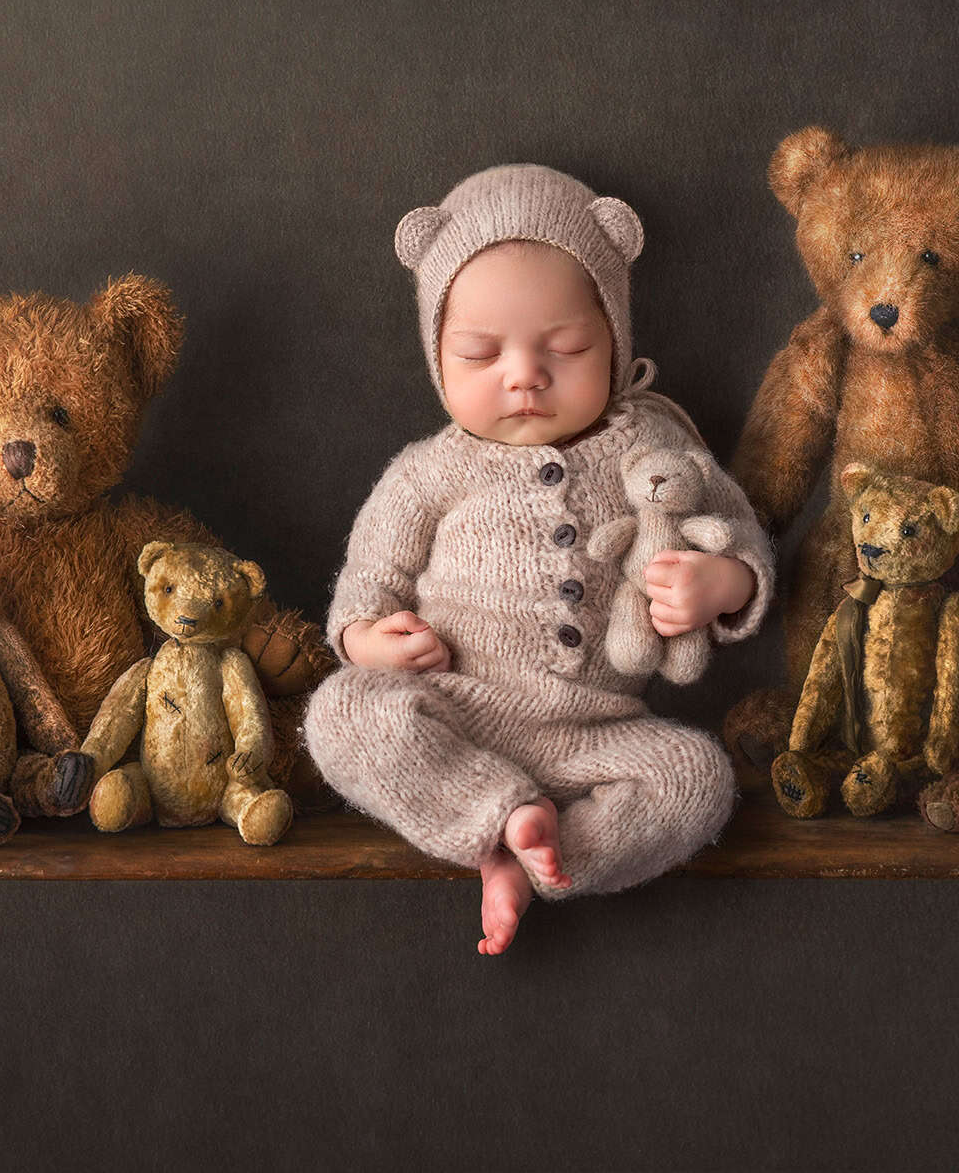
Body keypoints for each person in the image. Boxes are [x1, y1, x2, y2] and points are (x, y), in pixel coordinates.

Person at [304, 164, 773, 954]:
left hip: (601, 730)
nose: (524, 375)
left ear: (616, 339)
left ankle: (541, 856)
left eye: (566, 347)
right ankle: (499, 811)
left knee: (699, 778)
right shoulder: (430, 470)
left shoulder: (653, 445)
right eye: (481, 354)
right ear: (437, 357)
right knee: (343, 711)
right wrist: (363, 639)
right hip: (456, 708)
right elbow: (368, 581)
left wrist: (722, 583)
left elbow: (740, 532)